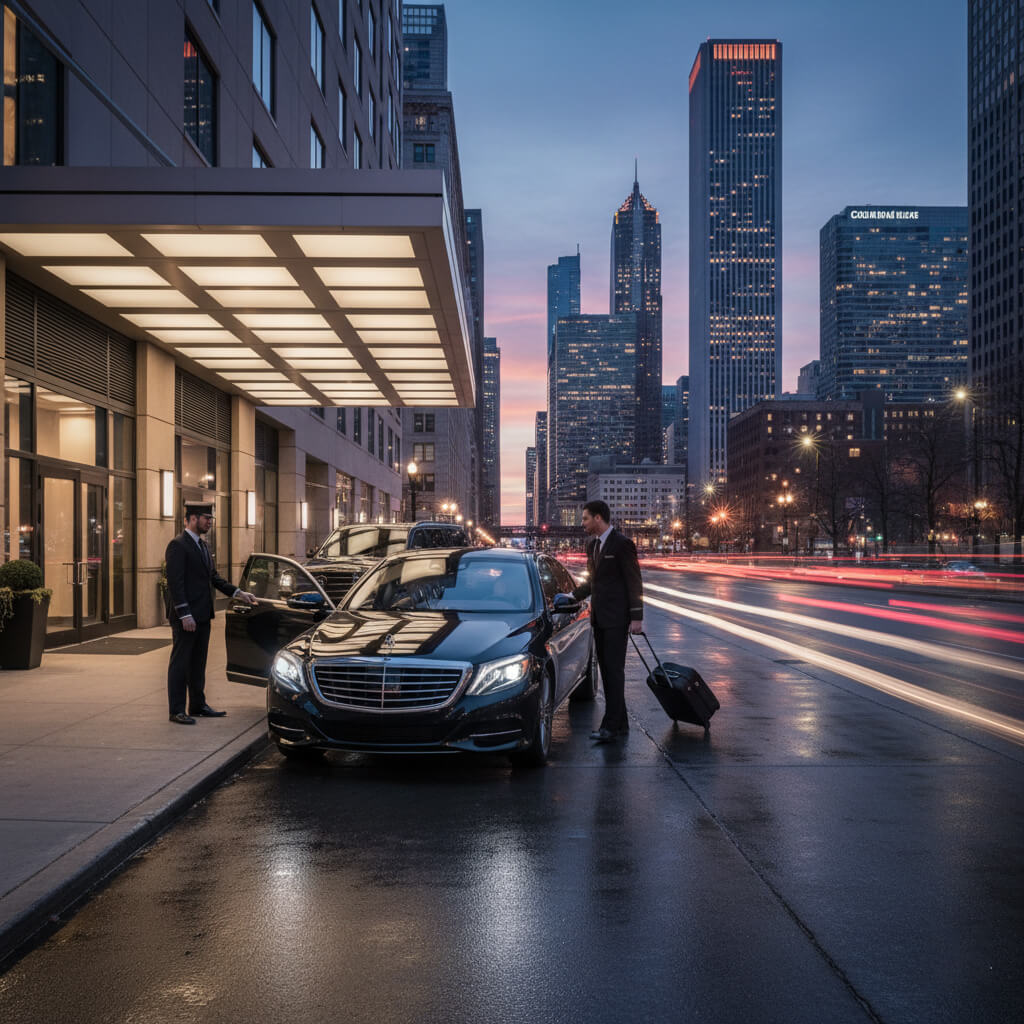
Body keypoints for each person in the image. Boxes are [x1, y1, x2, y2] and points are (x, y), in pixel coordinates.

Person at [165, 502, 257, 725]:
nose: (209, 522)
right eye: (206, 518)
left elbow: (213, 578)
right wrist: (184, 614)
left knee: (198, 663)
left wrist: (238, 592)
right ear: (193, 518)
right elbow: (176, 583)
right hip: (186, 617)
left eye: (210, 519)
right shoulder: (178, 545)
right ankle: (176, 710)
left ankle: (197, 705)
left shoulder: (203, 546)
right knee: (180, 663)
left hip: (203, 615)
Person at [566, 500, 644, 743]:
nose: (583, 524)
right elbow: (593, 582)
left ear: (598, 518)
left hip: (617, 619)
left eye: (585, 518)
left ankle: (610, 726)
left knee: (613, 671)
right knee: (608, 671)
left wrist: (636, 617)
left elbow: (634, 581)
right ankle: (620, 723)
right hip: (599, 618)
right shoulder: (593, 546)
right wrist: (572, 596)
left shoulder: (622, 544)